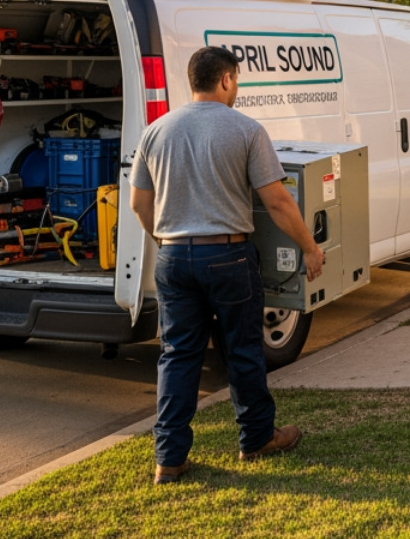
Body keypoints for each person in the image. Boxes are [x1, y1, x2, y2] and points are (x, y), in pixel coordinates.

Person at [130, 46, 325, 484]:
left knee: (178, 357)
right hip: (229, 256)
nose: (236, 88)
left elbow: (139, 203)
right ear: (226, 80)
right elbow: (276, 200)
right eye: (236, 80)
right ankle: (256, 439)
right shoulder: (246, 130)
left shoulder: (156, 131)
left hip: (174, 256)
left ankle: (170, 459)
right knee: (242, 351)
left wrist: (165, 240)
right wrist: (310, 248)